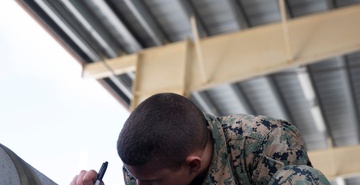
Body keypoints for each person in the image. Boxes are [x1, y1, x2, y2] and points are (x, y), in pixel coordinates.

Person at [71, 92, 330, 185]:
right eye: (135, 178)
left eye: (152, 182)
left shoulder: (267, 143)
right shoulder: (144, 171)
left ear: (193, 164)